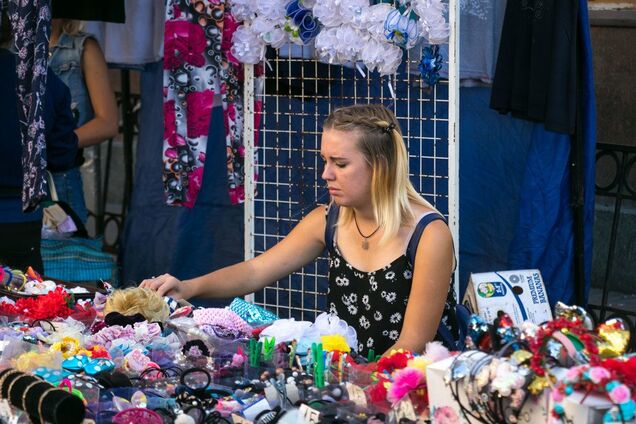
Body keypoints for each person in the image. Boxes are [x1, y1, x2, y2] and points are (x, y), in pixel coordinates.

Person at [141, 104, 456, 355]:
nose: (325, 174)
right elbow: (255, 271)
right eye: (324, 160)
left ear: (381, 167)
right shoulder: (329, 219)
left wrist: (359, 384)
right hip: (346, 377)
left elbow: (411, 343)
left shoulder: (428, 234)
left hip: (413, 386)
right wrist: (188, 288)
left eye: (340, 164)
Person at [0, 12, 78, 273]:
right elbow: (62, 155)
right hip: (20, 224)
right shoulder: (41, 79)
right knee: (20, 308)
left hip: (19, 215)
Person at [47, 18, 118, 223]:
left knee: (63, 253)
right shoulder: (12, 49)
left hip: (60, 178)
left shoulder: (82, 48)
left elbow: (108, 122)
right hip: (14, 181)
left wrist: (57, 144)